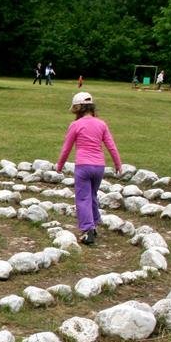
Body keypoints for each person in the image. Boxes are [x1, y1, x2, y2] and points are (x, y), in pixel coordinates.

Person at [54, 92, 122, 246]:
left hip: (83, 166)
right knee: (92, 195)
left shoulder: (75, 125)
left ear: (78, 109)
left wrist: (60, 165)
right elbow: (111, 146)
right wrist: (118, 164)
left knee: (82, 198)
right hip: (99, 167)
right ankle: (94, 223)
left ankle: (87, 231)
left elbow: (66, 148)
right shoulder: (102, 124)